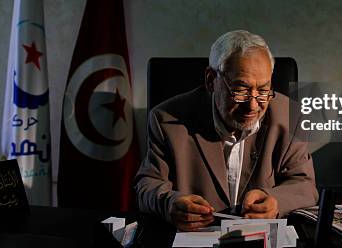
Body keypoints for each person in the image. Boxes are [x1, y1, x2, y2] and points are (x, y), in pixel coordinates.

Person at [134, 30, 318, 231]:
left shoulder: (291, 116)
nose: (253, 106)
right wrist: (169, 204)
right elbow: (147, 185)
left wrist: (276, 202)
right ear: (211, 80)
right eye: (241, 90)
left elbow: (305, 186)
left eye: (264, 90)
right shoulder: (165, 120)